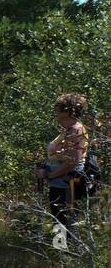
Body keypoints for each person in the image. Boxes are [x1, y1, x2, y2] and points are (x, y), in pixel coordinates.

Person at [35, 93, 91, 228]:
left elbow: (73, 162)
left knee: (64, 220)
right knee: (59, 218)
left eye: (58, 107)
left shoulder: (75, 131)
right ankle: (60, 247)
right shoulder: (68, 130)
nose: (55, 110)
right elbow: (61, 155)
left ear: (67, 111)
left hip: (66, 183)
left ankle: (65, 248)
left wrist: (49, 175)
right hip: (60, 181)